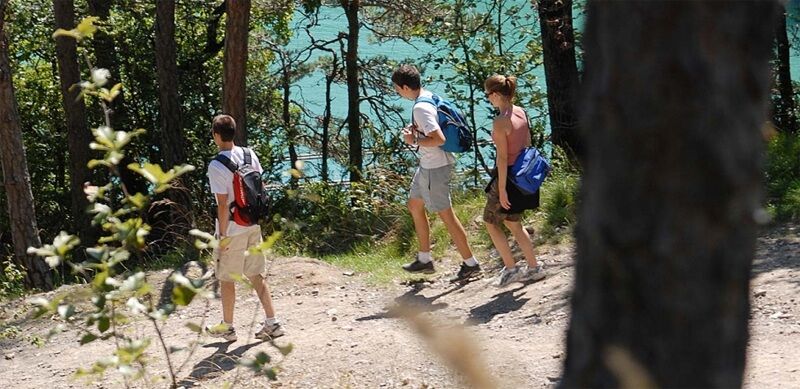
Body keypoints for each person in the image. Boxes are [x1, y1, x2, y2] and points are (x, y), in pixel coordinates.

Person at [391, 64, 482, 283]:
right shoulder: (427, 97)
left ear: (404, 87)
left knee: (446, 216)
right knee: (414, 205)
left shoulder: (419, 108)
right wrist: (417, 132)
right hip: (428, 165)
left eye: (396, 88)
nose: (396, 92)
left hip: (435, 168)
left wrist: (412, 140)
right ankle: (424, 259)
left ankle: (471, 264)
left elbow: (438, 139)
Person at [204, 114, 284, 341]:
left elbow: (221, 203)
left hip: (232, 228)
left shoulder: (217, 165)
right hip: (252, 223)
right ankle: (272, 322)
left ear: (216, 135)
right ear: (234, 132)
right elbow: (260, 186)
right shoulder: (249, 155)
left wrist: (222, 236)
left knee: (227, 278)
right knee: (256, 274)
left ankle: (228, 327)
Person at [482, 75, 546, 288]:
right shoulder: (521, 112)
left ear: (497, 94)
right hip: (522, 177)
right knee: (513, 223)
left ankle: (511, 269)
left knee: (491, 222)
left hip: (507, 178)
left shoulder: (501, 122)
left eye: (488, 94)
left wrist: (501, 190)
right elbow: (526, 144)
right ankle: (534, 268)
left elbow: (501, 157)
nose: (488, 98)